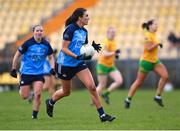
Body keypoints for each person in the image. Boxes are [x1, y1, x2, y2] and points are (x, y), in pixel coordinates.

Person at [45, 8, 115, 122]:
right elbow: (64, 48)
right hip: (65, 64)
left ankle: (102, 115)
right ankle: (50, 102)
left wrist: (92, 48)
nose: (88, 18)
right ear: (80, 18)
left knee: (92, 87)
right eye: (86, 16)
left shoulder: (85, 31)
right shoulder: (70, 29)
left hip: (78, 64)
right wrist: (76, 56)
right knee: (66, 92)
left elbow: (84, 47)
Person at [10, 25, 55, 119]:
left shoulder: (46, 44)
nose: (39, 32)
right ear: (33, 32)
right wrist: (13, 68)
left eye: (41, 31)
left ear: (43, 32)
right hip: (26, 73)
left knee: (38, 94)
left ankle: (34, 116)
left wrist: (52, 68)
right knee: (24, 96)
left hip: (39, 73)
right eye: (37, 30)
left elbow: (51, 57)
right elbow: (17, 55)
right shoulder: (27, 43)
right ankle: (22, 89)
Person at [124, 19, 169, 109]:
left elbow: (147, 33)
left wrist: (157, 44)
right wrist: (157, 44)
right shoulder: (147, 35)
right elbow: (148, 48)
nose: (157, 26)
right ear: (150, 26)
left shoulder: (153, 34)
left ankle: (158, 96)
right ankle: (128, 99)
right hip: (146, 62)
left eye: (157, 24)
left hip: (155, 61)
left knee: (165, 76)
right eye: (155, 24)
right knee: (139, 82)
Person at [96, 26, 123, 104]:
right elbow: (104, 54)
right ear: (107, 33)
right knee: (102, 85)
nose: (113, 34)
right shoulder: (105, 42)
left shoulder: (113, 41)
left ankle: (105, 94)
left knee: (119, 81)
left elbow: (112, 52)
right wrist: (114, 53)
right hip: (102, 65)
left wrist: (115, 55)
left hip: (110, 65)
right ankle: (95, 99)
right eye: (111, 32)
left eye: (114, 32)